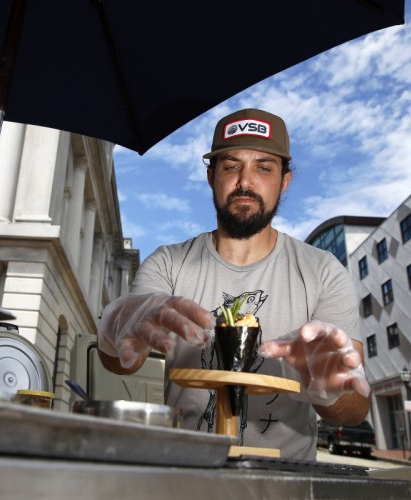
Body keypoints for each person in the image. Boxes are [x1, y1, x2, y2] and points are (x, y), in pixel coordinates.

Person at [98, 108, 371, 461]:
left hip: (285, 485)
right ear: (211, 176)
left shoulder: (323, 272)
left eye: (263, 167)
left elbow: (355, 409)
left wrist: (329, 388)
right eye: (230, 166)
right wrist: (117, 324)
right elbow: (121, 361)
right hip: (183, 474)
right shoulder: (168, 263)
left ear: (284, 180)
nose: (245, 181)